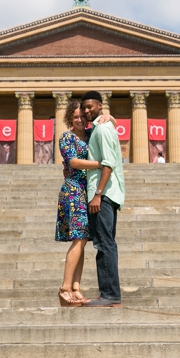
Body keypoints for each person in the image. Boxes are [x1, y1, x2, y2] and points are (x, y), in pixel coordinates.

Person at [55, 100, 105, 307]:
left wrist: (108, 117)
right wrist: (101, 164)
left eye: (82, 116)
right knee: (78, 239)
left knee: (82, 240)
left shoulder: (92, 135)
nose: (79, 119)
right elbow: (73, 162)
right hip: (74, 190)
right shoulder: (67, 137)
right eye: (75, 116)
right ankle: (65, 288)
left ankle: (76, 287)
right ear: (70, 118)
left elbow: (108, 124)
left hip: (88, 190)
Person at [82, 91, 125, 308]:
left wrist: (98, 194)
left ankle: (110, 295)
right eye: (84, 107)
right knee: (102, 243)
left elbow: (108, 163)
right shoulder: (101, 127)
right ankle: (108, 294)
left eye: (90, 106)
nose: (87, 110)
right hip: (104, 193)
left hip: (103, 194)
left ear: (100, 105)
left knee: (105, 243)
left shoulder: (103, 129)